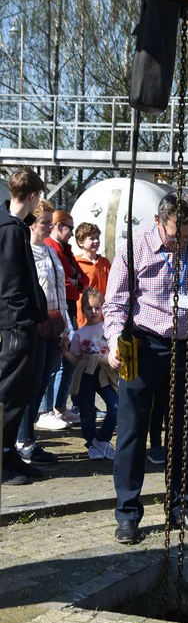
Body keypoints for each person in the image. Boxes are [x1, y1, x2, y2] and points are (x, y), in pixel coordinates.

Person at [103, 193, 188, 544]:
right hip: (144, 346)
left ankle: (181, 505)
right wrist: (115, 338)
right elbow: (115, 302)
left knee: (183, 430)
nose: (182, 242)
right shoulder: (135, 247)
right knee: (132, 431)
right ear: (160, 222)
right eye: (176, 236)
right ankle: (128, 513)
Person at [0, 169, 48, 486]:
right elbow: (11, 282)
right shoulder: (11, 231)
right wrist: (23, 321)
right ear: (32, 196)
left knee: (20, 394)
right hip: (14, 326)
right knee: (7, 393)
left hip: (18, 323)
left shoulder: (15, 227)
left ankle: (10, 455)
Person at [16, 199, 69, 463]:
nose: (49, 226)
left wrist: (66, 329)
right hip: (36, 326)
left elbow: (60, 293)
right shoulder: (26, 252)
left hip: (55, 325)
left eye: (51, 222)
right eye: (44, 221)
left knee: (43, 381)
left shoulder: (50, 252)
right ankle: (23, 439)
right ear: (32, 222)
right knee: (32, 383)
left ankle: (28, 438)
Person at [40, 210, 89, 426]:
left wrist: (74, 280)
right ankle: (45, 411)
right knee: (56, 359)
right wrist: (74, 280)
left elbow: (82, 279)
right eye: (69, 227)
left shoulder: (66, 250)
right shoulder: (51, 248)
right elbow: (62, 282)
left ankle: (59, 406)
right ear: (59, 226)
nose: (71, 231)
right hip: (56, 308)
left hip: (67, 305)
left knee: (68, 358)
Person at [64, 288, 118, 460]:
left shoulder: (108, 328)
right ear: (82, 310)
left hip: (106, 373)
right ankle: (91, 444)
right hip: (86, 375)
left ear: (103, 307)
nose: (93, 312)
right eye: (89, 308)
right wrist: (64, 352)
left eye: (97, 308)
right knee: (87, 412)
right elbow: (76, 358)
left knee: (116, 406)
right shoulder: (79, 334)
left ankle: (102, 440)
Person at [74, 222, 111, 328]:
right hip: (85, 314)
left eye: (97, 238)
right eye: (91, 238)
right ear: (80, 242)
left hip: (102, 313)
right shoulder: (77, 263)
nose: (96, 241)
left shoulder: (104, 262)